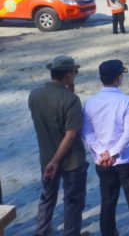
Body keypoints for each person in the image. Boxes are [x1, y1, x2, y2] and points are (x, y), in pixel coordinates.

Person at [82, 60, 129, 236]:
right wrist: (113, 153)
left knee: (108, 200)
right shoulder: (126, 101)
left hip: (103, 161)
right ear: (119, 78)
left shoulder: (91, 102)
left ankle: (108, 233)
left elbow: (87, 133)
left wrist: (102, 153)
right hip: (126, 159)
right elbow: (128, 134)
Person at [29, 56, 87, 236]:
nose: (75, 75)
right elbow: (70, 135)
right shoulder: (71, 100)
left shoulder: (35, 95)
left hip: (46, 156)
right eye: (75, 72)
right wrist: (56, 161)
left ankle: (42, 231)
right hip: (71, 160)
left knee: (47, 197)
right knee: (73, 201)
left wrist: (52, 160)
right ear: (69, 74)